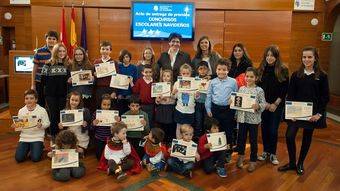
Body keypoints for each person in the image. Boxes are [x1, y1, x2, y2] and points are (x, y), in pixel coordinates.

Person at [278, 46, 329, 175]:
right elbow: (290, 95)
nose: (306, 59)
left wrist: (319, 114)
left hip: (313, 114)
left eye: (309, 57)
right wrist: (290, 113)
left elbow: (325, 97)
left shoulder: (322, 76)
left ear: (315, 58)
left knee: (307, 138)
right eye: (304, 57)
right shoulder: (296, 75)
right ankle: (291, 162)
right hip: (296, 113)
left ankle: (300, 163)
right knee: (289, 136)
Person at [257, 45, 289, 165]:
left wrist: (275, 104)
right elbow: (258, 88)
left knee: (273, 130)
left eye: (272, 55)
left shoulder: (283, 69)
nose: (269, 58)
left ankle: (273, 153)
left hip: (277, 105)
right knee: (264, 129)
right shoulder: (261, 69)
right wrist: (264, 103)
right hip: (264, 105)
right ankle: (265, 151)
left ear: (276, 57)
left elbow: (285, 89)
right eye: (268, 55)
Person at [205, 58, 238, 162]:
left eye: (224, 69)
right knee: (216, 131)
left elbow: (236, 96)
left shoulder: (233, 82)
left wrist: (232, 102)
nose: (221, 72)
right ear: (216, 70)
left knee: (228, 132)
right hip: (215, 109)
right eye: (219, 69)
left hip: (228, 110)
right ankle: (215, 152)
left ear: (228, 70)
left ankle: (228, 153)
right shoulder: (212, 82)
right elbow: (209, 96)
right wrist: (208, 108)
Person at [235, 67, 266, 172]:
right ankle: (241, 156)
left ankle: (253, 161)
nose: (249, 78)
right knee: (241, 139)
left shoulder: (259, 90)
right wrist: (234, 105)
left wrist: (258, 106)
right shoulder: (242, 89)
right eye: (247, 76)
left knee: (253, 141)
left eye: (251, 76)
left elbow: (263, 103)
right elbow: (238, 103)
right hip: (242, 119)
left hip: (253, 120)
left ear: (256, 78)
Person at [41, 43, 70, 141]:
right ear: (55, 52)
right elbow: (43, 80)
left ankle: (62, 136)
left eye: (63, 51)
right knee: (53, 115)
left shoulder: (68, 64)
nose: (62, 53)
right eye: (59, 51)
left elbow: (70, 79)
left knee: (62, 115)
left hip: (63, 95)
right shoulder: (48, 64)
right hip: (51, 95)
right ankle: (53, 137)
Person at [13, 89, 50, 163]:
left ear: (36, 100)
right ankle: (30, 147)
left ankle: (39, 146)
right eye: (26, 98)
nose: (29, 100)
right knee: (18, 158)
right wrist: (16, 126)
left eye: (31, 98)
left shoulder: (42, 110)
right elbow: (19, 127)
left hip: (37, 137)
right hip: (24, 137)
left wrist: (41, 125)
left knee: (35, 158)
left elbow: (48, 123)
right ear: (24, 100)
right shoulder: (21, 111)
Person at [31, 30, 58, 107]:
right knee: (40, 104)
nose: (51, 41)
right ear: (46, 39)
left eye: (54, 39)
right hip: (40, 82)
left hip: (53, 82)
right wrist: (33, 84)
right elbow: (34, 69)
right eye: (49, 38)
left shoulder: (59, 52)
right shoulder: (39, 51)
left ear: (56, 41)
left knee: (52, 104)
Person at [172, 64, 197, 139]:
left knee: (188, 129)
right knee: (179, 128)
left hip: (190, 111)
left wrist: (197, 94)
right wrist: (173, 92)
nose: (185, 75)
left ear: (190, 73)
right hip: (179, 110)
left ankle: (187, 144)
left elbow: (196, 98)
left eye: (187, 73)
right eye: (183, 73)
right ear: (180, 73)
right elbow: (173, 97)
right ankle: (179, 143)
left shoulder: (194, 83)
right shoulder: (177, 83)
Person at [93, 41, 119, 109]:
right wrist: (94, 75)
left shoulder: (114, 62)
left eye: (107, 49)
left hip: (110, 89)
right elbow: (93, 78)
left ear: (110, 51)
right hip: (99, 89)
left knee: (111, 109)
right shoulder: (96, 62)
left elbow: (116, 78)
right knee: (99, 107)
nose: (105, 51)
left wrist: (114, 92)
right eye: (103, 49)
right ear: (100, 50)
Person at [91, 94, 117, 160]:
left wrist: (117, 122)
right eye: (104, 104)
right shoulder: (96, 113)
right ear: (100, 104)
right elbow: (91, 128)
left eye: (108, 105)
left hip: (110, 139)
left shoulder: (113, 114)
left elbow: (117, 129)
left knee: (109, 157)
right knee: (99, 157)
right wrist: (93, 124)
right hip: (99, 139)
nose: (106, 107)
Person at [68, 47, 94, 111]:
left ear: (84, 55)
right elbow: (67, 82)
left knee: (85, 112)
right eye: (76, 54)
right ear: (74, 56)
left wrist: (93, 79)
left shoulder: (90, 66)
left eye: (80, 54)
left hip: (86, 94)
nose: (78, 56)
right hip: (74, 95)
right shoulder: (70, 66)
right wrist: (69, 81)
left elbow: (93, 82)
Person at [155, 69, 176, 144]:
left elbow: (175, 98)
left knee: (170, 127)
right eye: (164, 76)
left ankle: (169, 143)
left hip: (170, 109)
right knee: (161, 126)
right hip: (161, 108)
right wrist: (158, 99)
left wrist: (171, 95)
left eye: (168, 76)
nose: (166, 78)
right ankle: (162, 143)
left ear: (171, 77)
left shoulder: (173, 86)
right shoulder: (158, 86)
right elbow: (156, 101)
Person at [117, 49, 138, 115]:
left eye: (127, 57)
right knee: (120, 110)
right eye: (123, 57)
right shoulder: (118, 66)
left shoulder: (134, 67)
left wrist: (131, 80)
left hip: (129, 92)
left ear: (129, 57)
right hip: (120, 92)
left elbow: (136, 80)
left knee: (128, 111)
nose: (125, 59)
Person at [194, 61, 211, 140]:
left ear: (208, 70)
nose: (203, 71)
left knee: (206, 122)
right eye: (200, 69)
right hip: (197, 104)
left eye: (205, 69)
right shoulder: (195, 80)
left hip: (206, 104)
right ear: (197, 70)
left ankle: (205, 138)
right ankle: (198, 138)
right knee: (198, 121)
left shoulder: (210, 80)